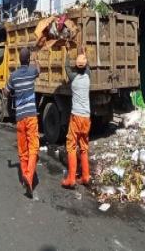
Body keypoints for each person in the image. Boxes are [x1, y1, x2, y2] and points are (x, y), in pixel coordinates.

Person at [4, 47, 40, 198]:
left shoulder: (13, 76)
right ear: (28, 59)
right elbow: (39, 69)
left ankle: (25, 175)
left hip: (20, 117)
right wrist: (36, 57)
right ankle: (29, 175)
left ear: (19, 60)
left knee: (22, 149)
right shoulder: (32, 71)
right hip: (31, 116)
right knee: (34, 147)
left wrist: (10, 90)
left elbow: (6, 92)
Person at [61, 45, 91, 189]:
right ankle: (85, 176)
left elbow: (67, 67)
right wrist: (83, 53)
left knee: (71, 146)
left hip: (76, 117)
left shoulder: (74, 78)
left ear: (76, 67)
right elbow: (88, 65)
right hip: (86, 117)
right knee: (84, 147)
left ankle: (71, 178)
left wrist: (66, 51)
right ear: (85, 66)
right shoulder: (88, 77)